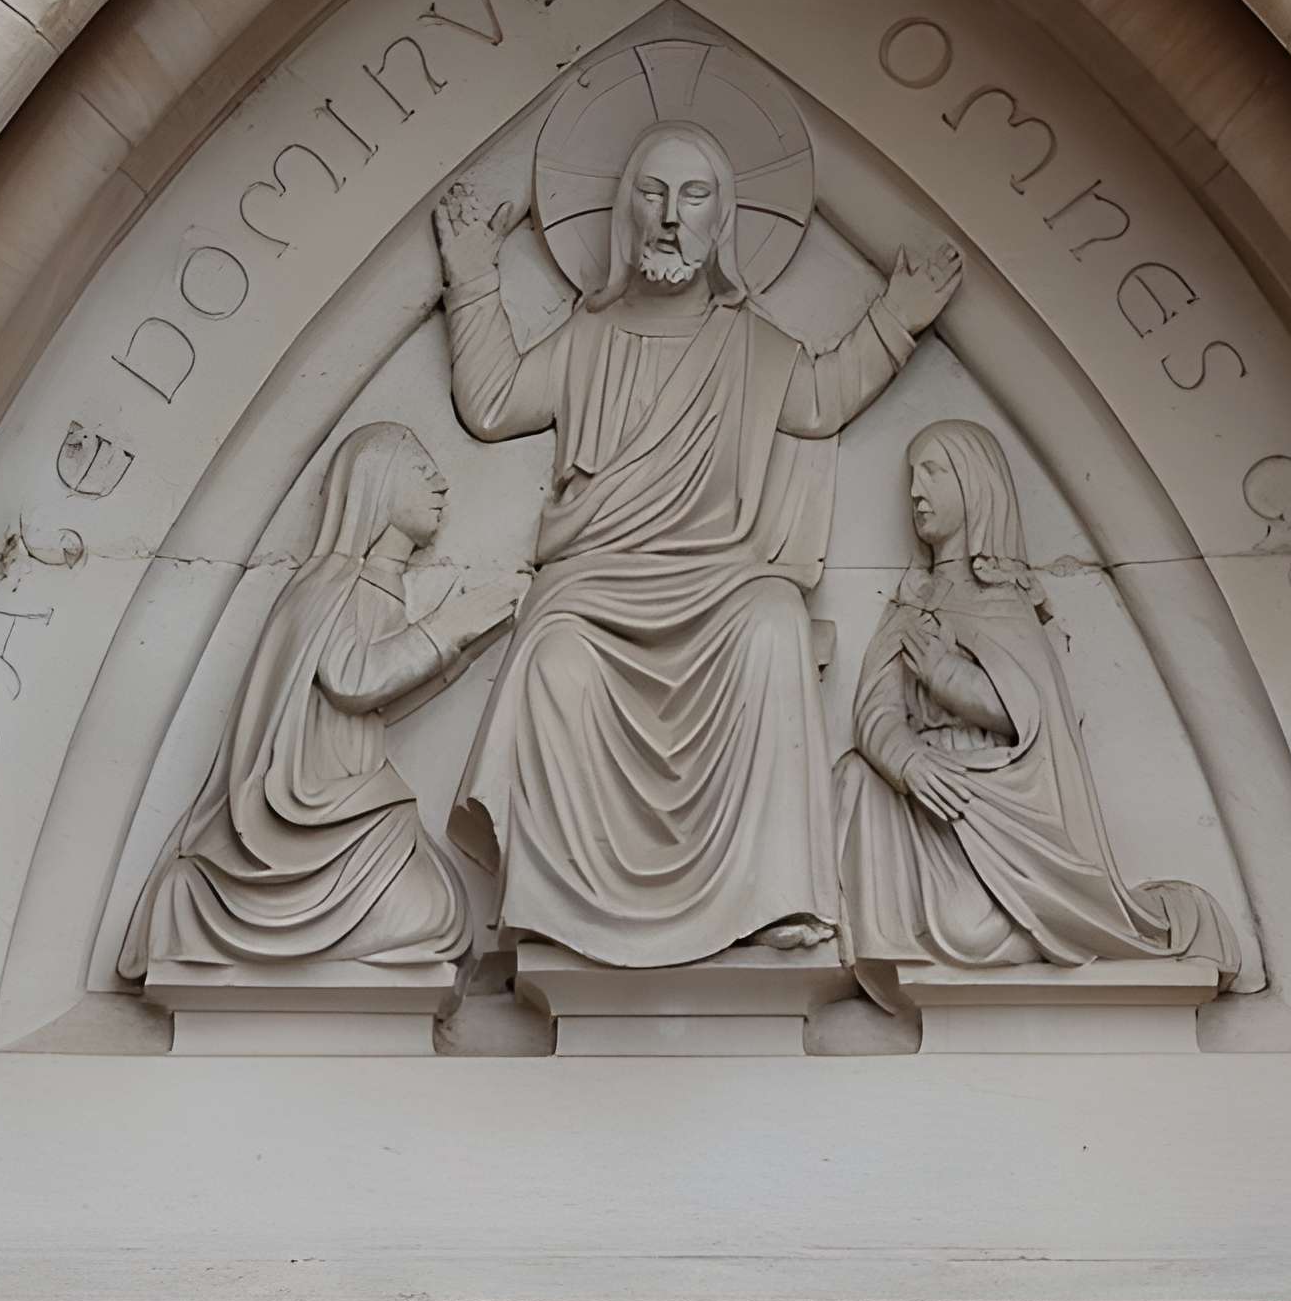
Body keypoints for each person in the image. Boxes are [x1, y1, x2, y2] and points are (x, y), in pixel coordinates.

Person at [435, 125, 963, 966]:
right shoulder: (588, 337)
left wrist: (897, 315)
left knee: (774, 621)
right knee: (554, 657)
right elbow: (492, 401)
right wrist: (471, 275)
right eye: (653, 194)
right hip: (595, 586)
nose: (671, 218)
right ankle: (553, 903)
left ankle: (778, 892)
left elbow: (820, 399)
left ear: (724, 223)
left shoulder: (749, 344)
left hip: (718, 585)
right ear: (623, 216)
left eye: (693, 196)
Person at [837, 418, 1233, 993]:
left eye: (933, 472)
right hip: (928, 796)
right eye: (911, 477)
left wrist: (946, 675)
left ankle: (1046, 915)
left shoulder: (1004, 602)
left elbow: (1029, 709)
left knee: (968, 935)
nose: (916, 491)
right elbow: (875, 712)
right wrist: (907, 763)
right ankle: (897, 938)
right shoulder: (910, 603)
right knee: (854, 776)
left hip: (997, 801)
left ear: (974, 485)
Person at [121, 421, 518, 977]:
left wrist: (465, 647)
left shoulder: (377, 588)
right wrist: (448, 627)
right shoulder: (330, 585)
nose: (441, 484)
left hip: (354, 812)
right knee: (431, 912)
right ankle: (221, 904)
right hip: (302, 820)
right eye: (422, 471)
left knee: (443, 914)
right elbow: (354, 682)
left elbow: (381, 701)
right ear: (378, 486)